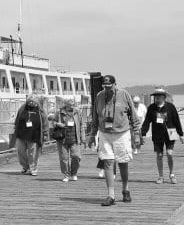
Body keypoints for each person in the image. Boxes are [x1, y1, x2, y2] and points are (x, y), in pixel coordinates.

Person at [87, 75, 141, 206]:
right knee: (107, 162)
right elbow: (95, 117)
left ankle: (125, 189)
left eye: (109, 86)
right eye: (105, 87)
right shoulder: (99, 96)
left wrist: (137, 133)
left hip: (122, 133)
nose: (107, 89)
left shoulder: (124, 94)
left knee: (123, 163)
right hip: (104, 133)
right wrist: (92, 135)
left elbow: (133, 115)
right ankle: (110, 195)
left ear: (115, 84)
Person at [141, 88, 184, 184]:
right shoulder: (151, 108)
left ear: (164, 97)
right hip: (157, 134)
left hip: (171, 133)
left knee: (169, 153)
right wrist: (143, 134)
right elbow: (147, 121)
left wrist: (181, 134)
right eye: (155, 96)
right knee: (159, 155)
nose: (157, 97)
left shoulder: (170, 107)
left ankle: (172, 174)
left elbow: (177, 121)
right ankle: (160, 176)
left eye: (159, 95)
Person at [49, 99, 85, 182]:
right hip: (62, 139)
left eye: (73, 104)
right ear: (65, 104)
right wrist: (58, 124)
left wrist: (83, 138)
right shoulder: (59, 112)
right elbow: (52, 122)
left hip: (75, 138)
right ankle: (66, 175)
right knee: (64, 158)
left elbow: (81, 124)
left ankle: (74, 173)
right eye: (69, 104)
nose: (71, 106)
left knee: (76, 156)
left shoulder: (77, 112)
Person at [14, 93, 49, 176]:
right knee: (20, 151)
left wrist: (45, 134)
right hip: (22, 134)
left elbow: (45, 124)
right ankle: (25, 166)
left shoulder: (41, 111)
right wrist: (15, 129)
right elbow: (17, 119)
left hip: (34, 135)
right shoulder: (22, 108)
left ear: (36, 102)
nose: (31, 103)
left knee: (32, 153)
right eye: (29, 101)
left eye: (33, 101)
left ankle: (33, 168)